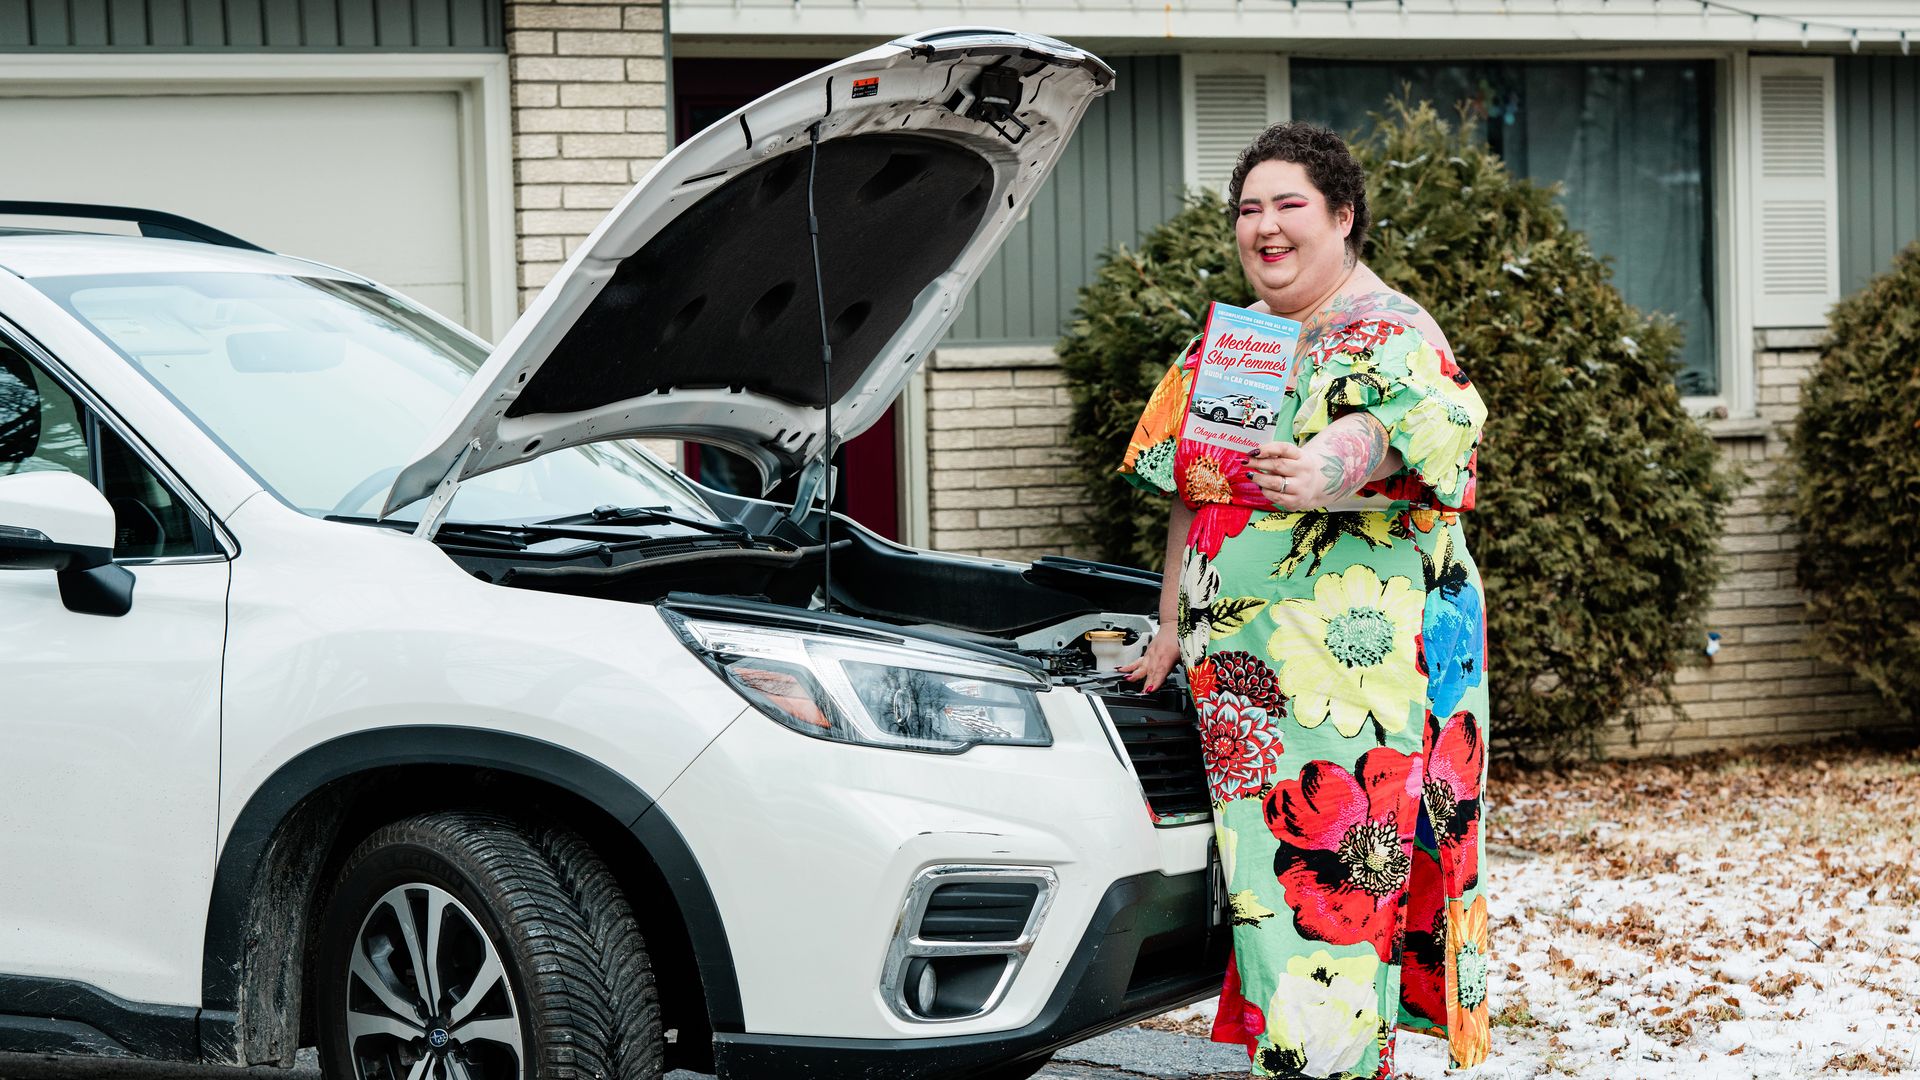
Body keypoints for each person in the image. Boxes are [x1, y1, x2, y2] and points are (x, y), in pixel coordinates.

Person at [1115, 122, 1490, 1078]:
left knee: (1338, 881)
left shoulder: (1393, 330)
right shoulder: (1242, 341)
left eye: (1290, 207)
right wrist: (1170, 623)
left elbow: (1391, 431)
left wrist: (1325, 467)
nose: (1266, 228)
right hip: (1242, 674)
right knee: (1270, 893)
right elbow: (1193, 489)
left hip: (1352, 680)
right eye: (1250, 210)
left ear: (1343, 218)